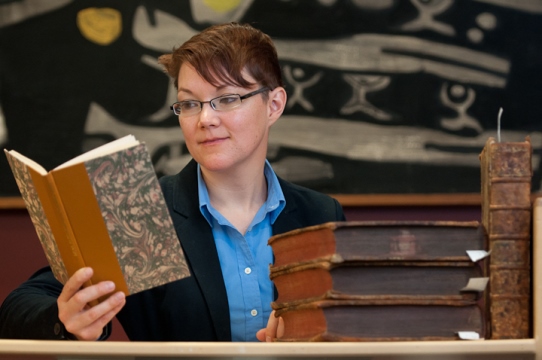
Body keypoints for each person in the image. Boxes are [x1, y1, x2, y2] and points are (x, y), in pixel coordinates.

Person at [0, 22, 345, 342]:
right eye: (190, 103)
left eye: (226, 98)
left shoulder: (320, 214)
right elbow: (19, 305)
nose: (205, 119)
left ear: (273, 104)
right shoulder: (144, 214)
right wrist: (65, 320)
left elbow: (353, 324)